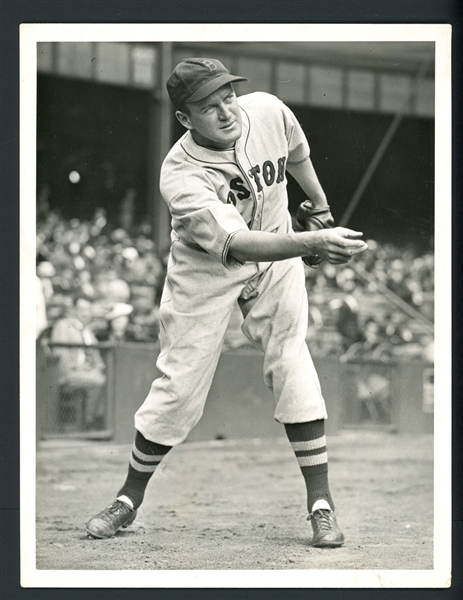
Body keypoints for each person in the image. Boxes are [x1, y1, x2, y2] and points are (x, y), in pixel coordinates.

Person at [85, 58, 367, 547]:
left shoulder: (268, 111)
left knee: (292, 358)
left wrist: (319, 210)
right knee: (180, 381)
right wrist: (311, 244)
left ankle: (321, 505)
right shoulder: (180, 175)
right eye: (207, 106)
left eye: (228, 97)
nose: (225, 112)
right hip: (206, 269)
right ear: (184, 119)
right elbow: (237, 245)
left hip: (277, 250)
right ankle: (128, 500)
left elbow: (297, 152)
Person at [50, 295, 107, 429]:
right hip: (67, 374)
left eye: (88, 309)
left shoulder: (88, 332)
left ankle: (94, 421)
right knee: (99, 381)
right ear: (73, 310)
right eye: (82, 309)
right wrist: (79, 371)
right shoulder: (63, 326)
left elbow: (97, 358)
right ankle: (89, 422)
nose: (85, 313)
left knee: (103, 379)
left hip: (86, 374)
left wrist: (97, 368)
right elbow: (60, 356)